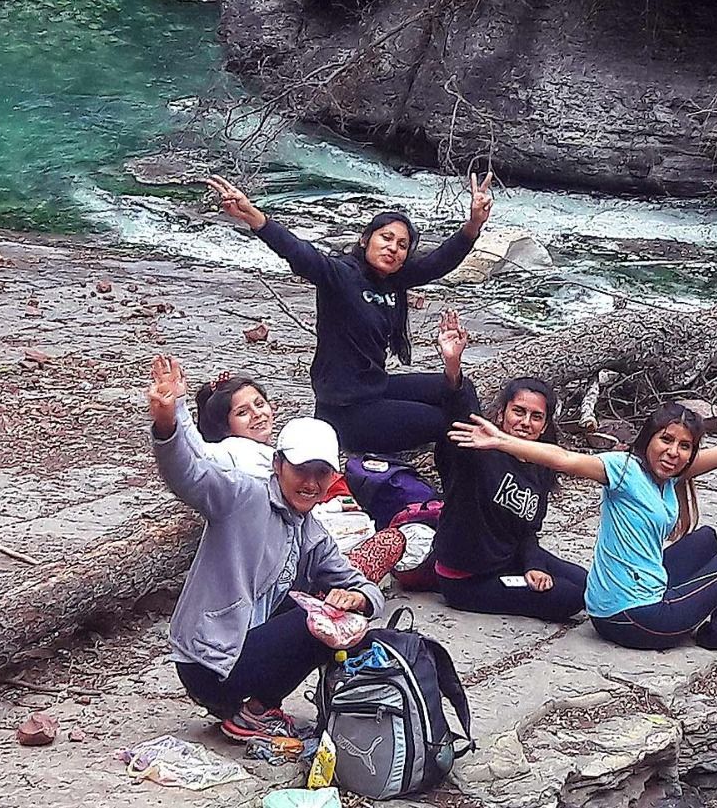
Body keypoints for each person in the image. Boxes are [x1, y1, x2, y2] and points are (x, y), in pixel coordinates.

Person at [449, 391, 717, 649]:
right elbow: (564, 459)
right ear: (649, 438)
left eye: (684, 446)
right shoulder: (622, 470)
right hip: (634, 620)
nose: (673, 452)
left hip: (635, 595)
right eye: (666, 440)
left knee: (706, 539)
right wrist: (503, 441)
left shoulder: (671, 475)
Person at [147, 355, 385, 742]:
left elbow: (367, 588)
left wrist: (357, 599)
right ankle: (238, 705)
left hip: (244, 649)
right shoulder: (244, 495)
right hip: (207, 661)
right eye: (301, 471)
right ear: (278, 466)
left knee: (337, 615)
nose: (310, 484)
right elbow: (188, 474)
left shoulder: (312, 532)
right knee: (315, 620)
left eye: (321, 473)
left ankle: (257, 708)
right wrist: (167, 423)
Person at [203, 173, 496, 454]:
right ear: (365, 240)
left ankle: (486, 458)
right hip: (345, 410)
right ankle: (477, 470)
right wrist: (252, 215)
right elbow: (297, 251)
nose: (393, 248)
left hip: (375, 388)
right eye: (386, 238)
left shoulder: (394, 280)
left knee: (460, 389)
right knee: (447, 422)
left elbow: (439, 261)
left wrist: (474, 223)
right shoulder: (339, 275)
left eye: (402, 245)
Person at [429, 310, 588, 622]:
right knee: (569, 597)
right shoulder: (476, 449)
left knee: (587, 583)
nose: (525, 422)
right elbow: (460, 414)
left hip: (509, 557)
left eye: (536, 417)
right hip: (468, 579)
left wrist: (533, 566)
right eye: (519, 412)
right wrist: (453, 366)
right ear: (501, 414)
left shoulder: (541, 461)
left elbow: (527, 530)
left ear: (545, 426)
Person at [185, 369, 405, 584]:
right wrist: (175, 411)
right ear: (226, 427)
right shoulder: (233, 451)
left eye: (259, 404)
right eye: (242, 412)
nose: (257, 414)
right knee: (390, 541)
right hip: (279, 560)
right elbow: (197, 454)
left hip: (305, 544)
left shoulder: (267, 451)